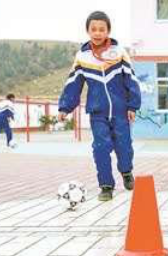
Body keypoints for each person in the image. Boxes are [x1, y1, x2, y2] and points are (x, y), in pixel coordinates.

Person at [58, 11, 141, 201]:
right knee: (101, 147)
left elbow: (131, 80)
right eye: (93, 29)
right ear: (87, 31)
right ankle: (106, 186)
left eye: (101, 29)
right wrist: (65, 107)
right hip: (97, 112)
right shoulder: (82, 57)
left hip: (120, 111)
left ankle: (126, 171)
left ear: (108, 31)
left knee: (124, 147)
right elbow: (73, 84)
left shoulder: (119, 52)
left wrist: (132, 105)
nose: (97, 33)